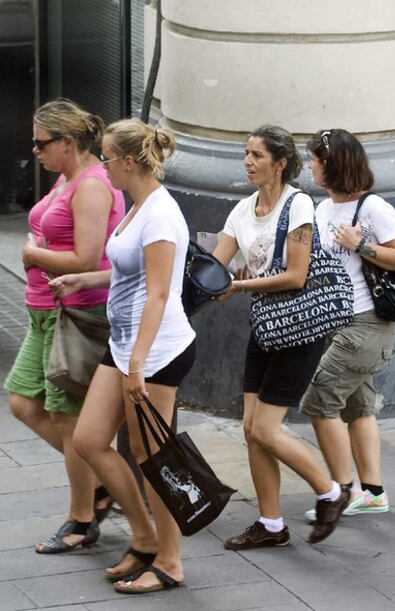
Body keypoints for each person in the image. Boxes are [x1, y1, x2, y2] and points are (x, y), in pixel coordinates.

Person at [49, 118, 196, 594]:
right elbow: (129, 274)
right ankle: (144, 537)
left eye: (108, 157)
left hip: (156, 351)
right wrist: (85, 280)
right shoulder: (139, 207)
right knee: (91, 439)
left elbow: (158, 294)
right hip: (126, 343)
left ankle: (170, 561)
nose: (103, 166)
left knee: (152, 455)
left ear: (129, 162)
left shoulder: (161, 216)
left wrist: (137, 365)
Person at [212, 124, 350, 549]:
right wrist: (205, 284)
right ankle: (271, 525)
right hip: (267, 328)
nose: (248, 162)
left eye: (257, 155)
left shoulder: (299, 205)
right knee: (251, 428)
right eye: (246, 154)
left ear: (281, 162)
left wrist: (239, 287)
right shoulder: (241, 210)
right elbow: (215, 268)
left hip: (300, 330)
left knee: (267, 429)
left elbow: (296, 275)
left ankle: (331, 492)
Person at [4, 98, 126, 552]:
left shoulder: (92, 186)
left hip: (74, 314)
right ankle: (101, 481)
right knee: (23, 401)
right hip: (43, 312)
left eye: (41, 144)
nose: (34, 151)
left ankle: (81, 520)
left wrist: (33, 253)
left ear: (68, 143)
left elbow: (86, 259)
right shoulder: (67, 177)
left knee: (66, 416)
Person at [300, 129, 395, 521]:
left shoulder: (374, 208)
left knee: (318, 401)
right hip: (335, 322)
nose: (310, 164)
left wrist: (361, 245)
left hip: (366, 325)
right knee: (358, 407)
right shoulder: (321, 208)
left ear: (333, 164)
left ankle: (341, 492)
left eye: (315, 158)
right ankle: (373, 492)